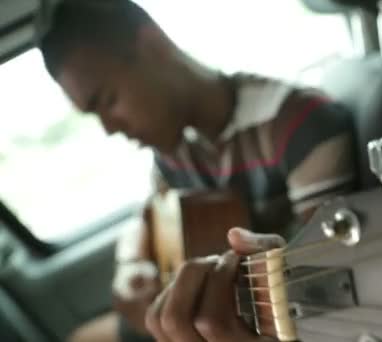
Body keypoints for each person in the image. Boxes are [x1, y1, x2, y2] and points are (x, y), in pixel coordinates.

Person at [38, 0, 357, 341]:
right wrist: (130, 264)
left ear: (153, 45)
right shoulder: (173, 148)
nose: (109, 129)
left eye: (108, 100)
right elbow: (144, 218)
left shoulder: (297, 125)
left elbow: (329, 284)